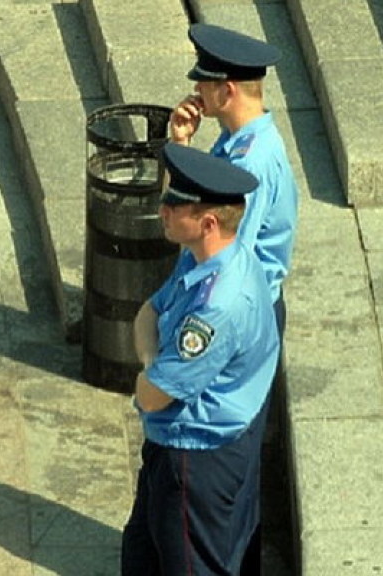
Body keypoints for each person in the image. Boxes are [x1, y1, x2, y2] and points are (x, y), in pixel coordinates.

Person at [120, 142, 279, 575]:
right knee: (141, 555)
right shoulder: (203, 261)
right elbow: (147, 313)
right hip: (175, 445)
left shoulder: (218, 304)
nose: (163, 208)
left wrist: (149, 375)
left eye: (175, 204)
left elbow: (152, 398)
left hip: (196, 460)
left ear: (208, 222)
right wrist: (155, 362)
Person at [170, 23, 298, 338]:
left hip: (236, 319)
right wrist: (180, 146)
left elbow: (228, 255)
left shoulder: (250, 163)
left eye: (203, 83)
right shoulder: (238, 141)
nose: (197, 90)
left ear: (227, 91)